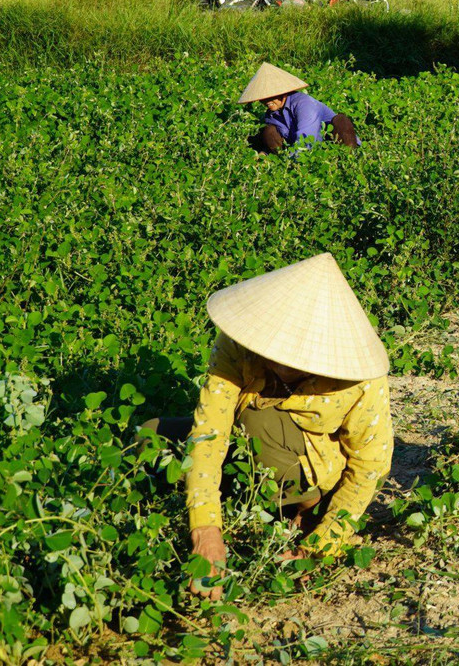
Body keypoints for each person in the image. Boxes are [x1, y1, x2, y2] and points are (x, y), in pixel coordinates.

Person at [137, 252, 393, 599]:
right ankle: (244, 502)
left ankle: (301, 509)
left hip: (311, 469)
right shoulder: (236, 346)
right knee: (150, 434)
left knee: (258, 420)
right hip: (246, 446)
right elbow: (209, 432)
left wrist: (322, 545)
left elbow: (370, 465)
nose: (281, 364)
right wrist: (206, 531)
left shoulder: (360, 379)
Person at [239, 62, 360, 153]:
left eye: (271, 97)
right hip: (298, 151)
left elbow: (307, 138)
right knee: (268, 132)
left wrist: (296, 162)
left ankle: (349, 158)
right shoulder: (271, 114)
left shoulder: (304, 104)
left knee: (341, 120)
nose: (266, 102)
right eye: (263, 98)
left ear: (282, 92)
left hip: (326, 146)